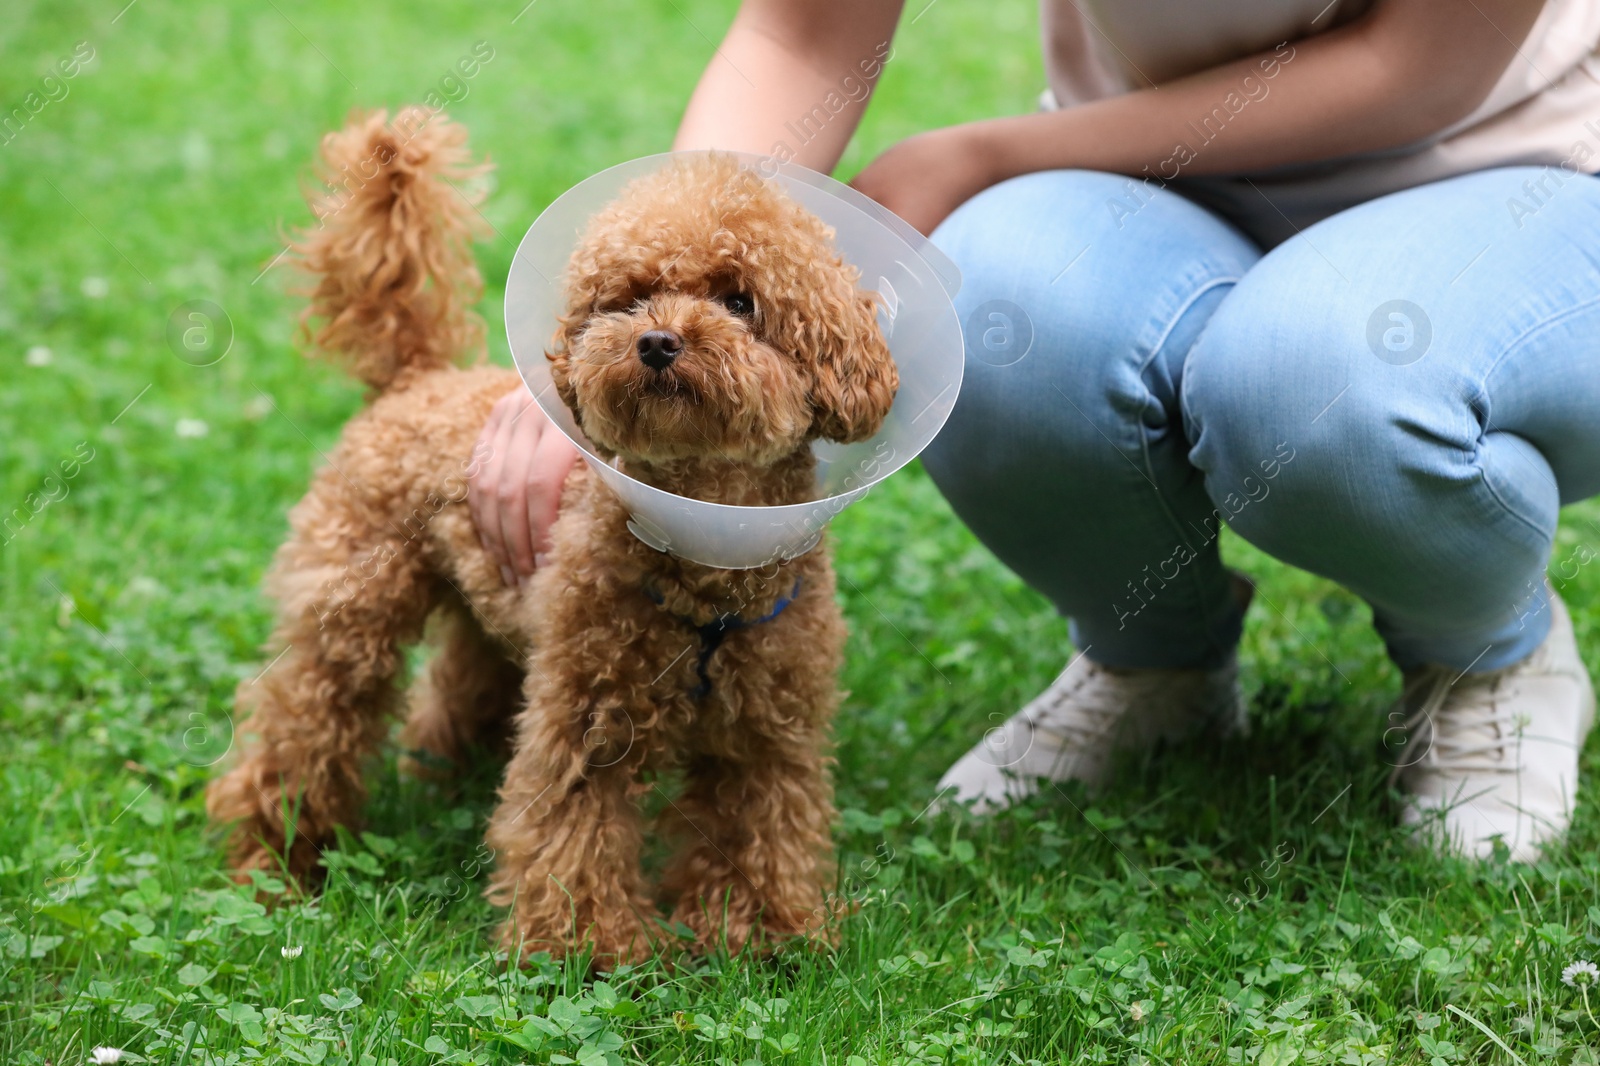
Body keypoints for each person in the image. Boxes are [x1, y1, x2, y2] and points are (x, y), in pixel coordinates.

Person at [471, 0, 1600, 861]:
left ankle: (1487, 654)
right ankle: (1153, 659)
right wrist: (616, 313)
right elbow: (806, 30)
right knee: (981, 302)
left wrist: (989, 151)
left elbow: (1416, 67)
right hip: (1154, 174)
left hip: (1506, 172)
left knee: (1316, 375)